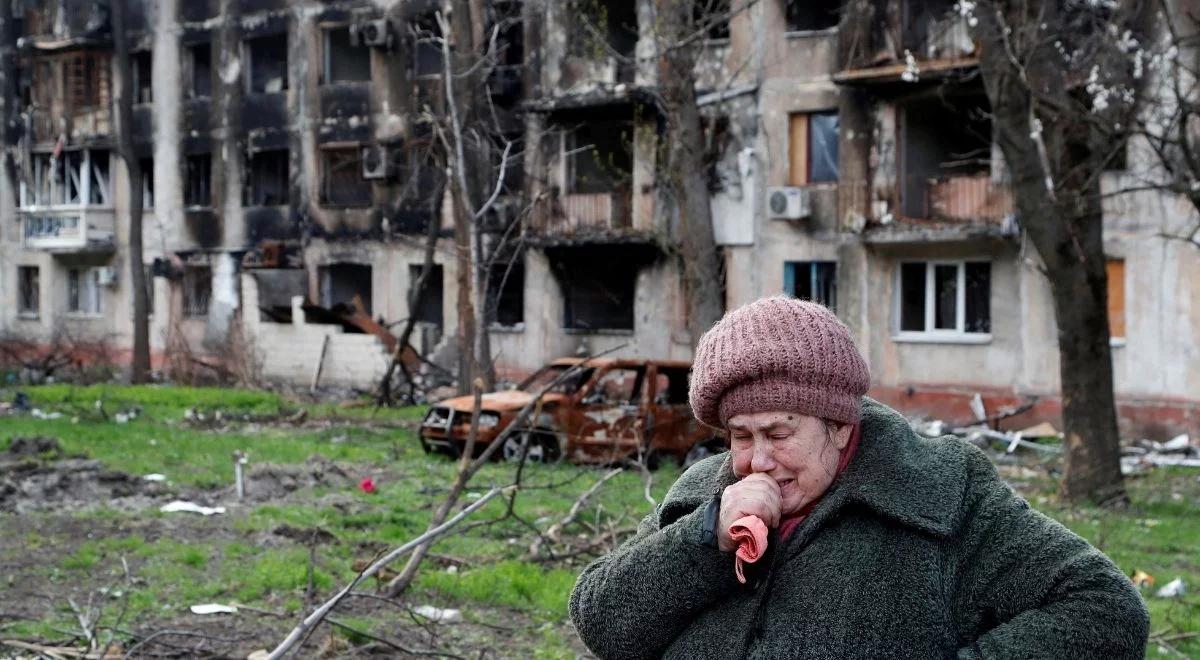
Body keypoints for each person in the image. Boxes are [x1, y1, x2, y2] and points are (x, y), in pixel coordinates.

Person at [569, 296, 1149, 659]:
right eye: (741, 437)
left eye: (778, 434)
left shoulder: (937, 493)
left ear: (840, 428)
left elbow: (1104, 608)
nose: (756, 462)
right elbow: (603, 624)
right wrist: (704, 539)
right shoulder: (702, 495)